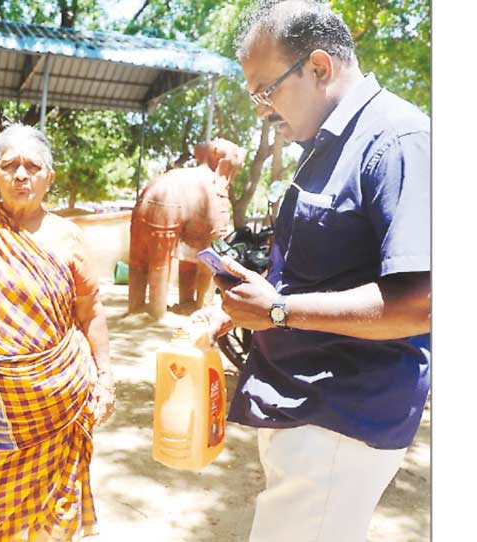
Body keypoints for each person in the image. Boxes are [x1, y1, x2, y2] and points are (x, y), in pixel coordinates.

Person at [191, 2, 430, 541]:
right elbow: (323, 278)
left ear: (318, 67)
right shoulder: (327, 146)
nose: (260, 110)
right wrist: (253, 305)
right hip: (305, 409)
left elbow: (421, 303)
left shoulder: (396, 142)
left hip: (341, 415)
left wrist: (278, 310)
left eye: (265, 90)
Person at [0, 123, 115, 541]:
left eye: (32, 166)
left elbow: (91, 311)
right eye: (9, 165)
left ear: (49, 177)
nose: (21, 174)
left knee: (52, 519)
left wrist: (105, 379)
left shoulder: (69, 238)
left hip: (57, 403)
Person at [128, 138, 245, 319]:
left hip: (152, 198)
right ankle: (193, 306)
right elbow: (212, 247)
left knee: (143, 261)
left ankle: (142, 307)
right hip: (169, 205)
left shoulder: (177, 176)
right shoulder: (213, 185)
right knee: (200, 256)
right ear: (224, 163)